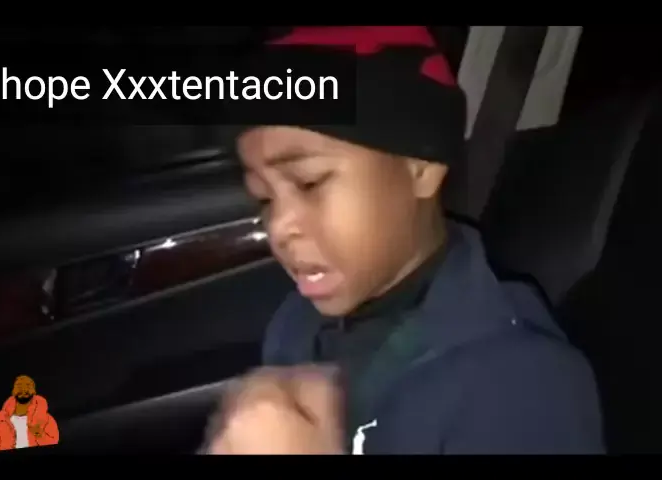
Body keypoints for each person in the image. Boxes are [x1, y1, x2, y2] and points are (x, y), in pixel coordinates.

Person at [204, 26, 605, 454]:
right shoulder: (295, 323)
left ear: (421, 169)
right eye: (264, 198)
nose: (279, 227)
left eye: (310, 182)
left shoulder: (524, 388)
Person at [0, 375, 59, 452]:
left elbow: (55, 444)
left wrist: (40, 435)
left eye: (28, 385)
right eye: (19, 385)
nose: (23, 389)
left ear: (34, 391)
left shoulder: (47, 419)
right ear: (13, 391)